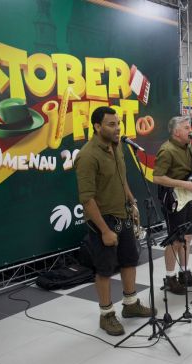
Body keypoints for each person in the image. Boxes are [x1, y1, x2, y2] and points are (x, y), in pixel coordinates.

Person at [75, 106, 156, 336]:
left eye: (118, 123)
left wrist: (131, 201)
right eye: (111, 124)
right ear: (97, 126)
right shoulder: (88, 156)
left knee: (130, 260)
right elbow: (87, 199)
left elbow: (122, 178)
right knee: (105, 269)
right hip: (103, 220)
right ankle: (106, 315)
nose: (117, 128)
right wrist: (104, 231)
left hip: (123, 214)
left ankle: (130, 304)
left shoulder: (117, 145)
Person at [152, 116, 192, 295]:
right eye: (186, 128)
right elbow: (157, 177)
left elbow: (190, 171)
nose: (190, 131)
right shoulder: (166, 150)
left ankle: (184, 274)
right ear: (176, 132)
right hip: (173, 198)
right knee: (175, 240)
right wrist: (184, 184)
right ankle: (170, 278)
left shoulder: (188, 147)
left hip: (187, 197)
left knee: (188, 236)